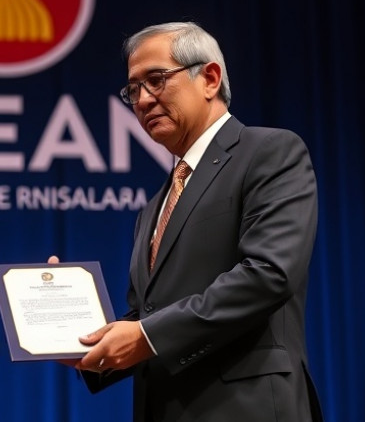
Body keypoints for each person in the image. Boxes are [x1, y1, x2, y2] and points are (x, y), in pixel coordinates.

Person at [51, 21, 323, 421]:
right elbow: (146, 316)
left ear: (209, 79)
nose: (143, 100)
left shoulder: (270, 152)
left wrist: (146, 336)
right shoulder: (153, 208)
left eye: (156, 80)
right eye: (133, 90)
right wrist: (81, 338)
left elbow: (268, 274)